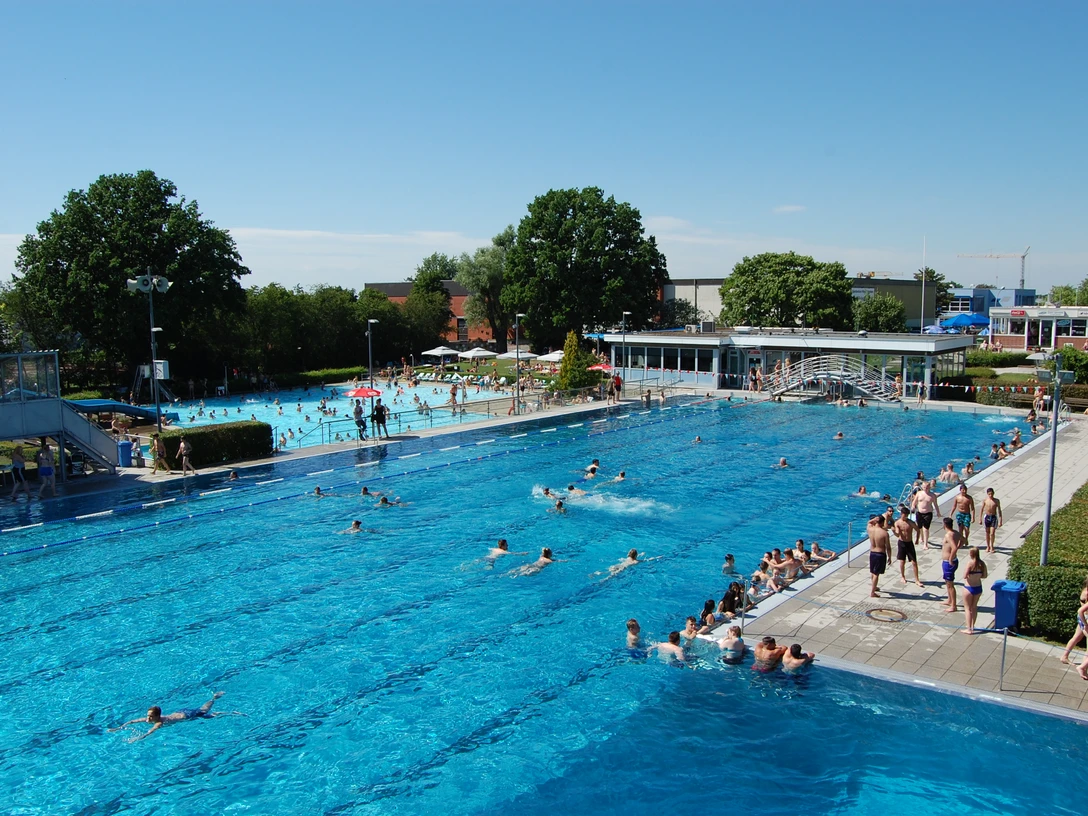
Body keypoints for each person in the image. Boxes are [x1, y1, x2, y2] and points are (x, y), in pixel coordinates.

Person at [109, 691, 228, 742]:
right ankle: (214, 702)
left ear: (157, 716)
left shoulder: (159, 723)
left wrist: (136, 739)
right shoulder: (149, 719)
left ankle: (215, 700)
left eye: (150, 717)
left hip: (188, 715)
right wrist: (117, 728)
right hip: (180, 711)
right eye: (148, 716)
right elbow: (131, 721)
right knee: (204, 711)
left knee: (205, 711)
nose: (148, 719)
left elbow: (149, 733)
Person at [894, 505, 923, 588]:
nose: (906, 516)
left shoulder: (910, 522)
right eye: (904, 515)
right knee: (902, 561)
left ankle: (917, 579)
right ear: (901, 514)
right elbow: (897, 534)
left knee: (914, 562)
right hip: (902, 543)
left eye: (907, 515)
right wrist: (895, 532)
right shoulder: (897, 523)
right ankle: (902, 576)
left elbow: (917, 530)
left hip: (909, 543)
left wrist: (917, 539)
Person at [1060, 578, 1088, 664]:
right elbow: (1082, 609)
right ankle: (1084, 665)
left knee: (1077, 637)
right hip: (1085, 617)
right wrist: (1085, 624)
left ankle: (1064, 656)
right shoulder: (1087, 593)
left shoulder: (1084, 590)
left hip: (1082, 617)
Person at [961, 547, 988, 634]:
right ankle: (972, 626)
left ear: (971, 554)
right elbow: (984, 576)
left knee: (967, 608)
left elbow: (964, 576)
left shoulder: (970, 563)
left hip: (969, 587)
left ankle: (968, 628)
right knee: (974, 607)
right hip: (978, 587)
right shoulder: (982, 564)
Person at [940, 517, 963, 614]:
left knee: (950, 584)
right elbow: (964, 540)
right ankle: (950, 600)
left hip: (949, 562)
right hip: (951, 561)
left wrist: (950, 558)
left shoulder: (949, 535)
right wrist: (959, 546)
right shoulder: (956, 533)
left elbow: (954, 548)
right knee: (947, 582)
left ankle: (954, 605)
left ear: (945, 525)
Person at [867, 515, 891, 597]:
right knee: (876, 573)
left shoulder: (870, 529)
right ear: (882, 523)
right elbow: (888, 547)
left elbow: (869, 522)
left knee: (873, 571)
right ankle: (872, 592)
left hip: (872, 553)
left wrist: (874, 519)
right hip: (880, 554)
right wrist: (890, 557)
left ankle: (874, 586)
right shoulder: (884, 533)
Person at [911, 480, 938, 550]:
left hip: (928, 513)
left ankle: (925, 544)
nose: (926, 489)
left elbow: (935, 505)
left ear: (930, 487)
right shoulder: (919, 494)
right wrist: (913, 507)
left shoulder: (932, 495)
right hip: (919, 513)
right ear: (922, 487)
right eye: (924, 487)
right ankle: (922, 537)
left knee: (926, 528)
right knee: (920, 527)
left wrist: (938, 512)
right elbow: (914, 502)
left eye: (927, 487)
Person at [980, 488, 1003, 554]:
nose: (991, 495)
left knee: (992, 533)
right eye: (989, 494)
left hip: (993, 517)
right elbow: (981, 509)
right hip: (987, 517)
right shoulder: (985, 500)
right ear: (987, 494)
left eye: (992, 494)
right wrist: (980, 519)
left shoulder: (996, 501)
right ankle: (988, 546)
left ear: (993, 493)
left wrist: (1000, 520)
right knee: (987, 532)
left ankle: (992, 546)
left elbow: (999, 510)